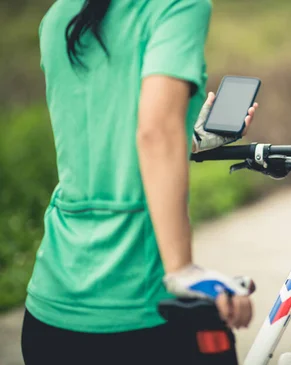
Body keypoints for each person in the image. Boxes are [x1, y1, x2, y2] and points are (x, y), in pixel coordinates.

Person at [20, 0, 257, 364]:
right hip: (140, 308)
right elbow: (156, 133)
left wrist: (193, 138)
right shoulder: (176, 7)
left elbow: (106, 139)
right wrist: (182, 271)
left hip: (49, 308)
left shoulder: (60, 15)